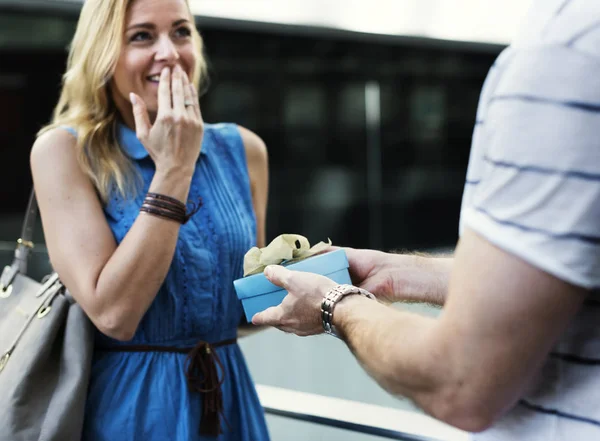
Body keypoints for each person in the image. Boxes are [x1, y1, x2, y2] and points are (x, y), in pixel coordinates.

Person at [252, 0, 600, 439]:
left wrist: (333, 304)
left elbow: (458, 381)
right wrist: (397, 273)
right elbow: (557, 272)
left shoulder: (564, 53)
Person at [30, 0, 270, 439]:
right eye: (142, 36)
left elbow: (239, 311)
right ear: (104, 54)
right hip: (133, 412)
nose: (169, 51)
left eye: (181, 31)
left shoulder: (244, 149)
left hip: (228, 400)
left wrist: (307, 275)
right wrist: (174, 169)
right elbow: (114, 313)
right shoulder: (64, 153)